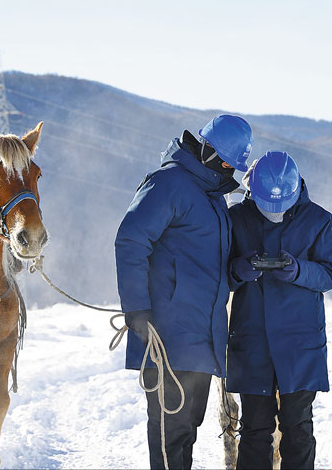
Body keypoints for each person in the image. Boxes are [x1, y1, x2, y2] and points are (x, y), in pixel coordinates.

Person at [115, 114, 253, 470]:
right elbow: (130, 240)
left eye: (232, 165)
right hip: (167, 337)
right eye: (224, 162)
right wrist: (136, 309)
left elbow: (209, 267)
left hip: (202, 341)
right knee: (169, 434)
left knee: (188, 431)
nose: (228, 171)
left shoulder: (214, 198)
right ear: (206, 149)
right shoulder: (168, 184)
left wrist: (240, 270)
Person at [226, 150, 332, 470]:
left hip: (300, 344)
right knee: (254, 431)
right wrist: (238, 269)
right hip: (252, 342)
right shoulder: (236, 219)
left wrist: (299, 271)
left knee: (298, 429)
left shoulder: (318, 219)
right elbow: (219, 276)